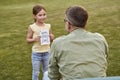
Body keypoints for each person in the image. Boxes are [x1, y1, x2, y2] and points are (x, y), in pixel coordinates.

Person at [48, 6, 109, 80]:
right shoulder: (100, 39)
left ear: (68, 24)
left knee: (46, 75)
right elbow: (104, 62)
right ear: (85, 22)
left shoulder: (58, 43)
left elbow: (53, 75)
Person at [26, 4, 54, 80]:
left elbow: (51, 39)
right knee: (36, 72)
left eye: (44, 14)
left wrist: (52, 37)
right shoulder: (32, 27)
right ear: (34, 16)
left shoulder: (48, 26)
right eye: (40, 15)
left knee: (47, 72)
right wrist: (34, 39)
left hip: (47, 52)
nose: (43, 17)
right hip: (36, 53)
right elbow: (28, 40)